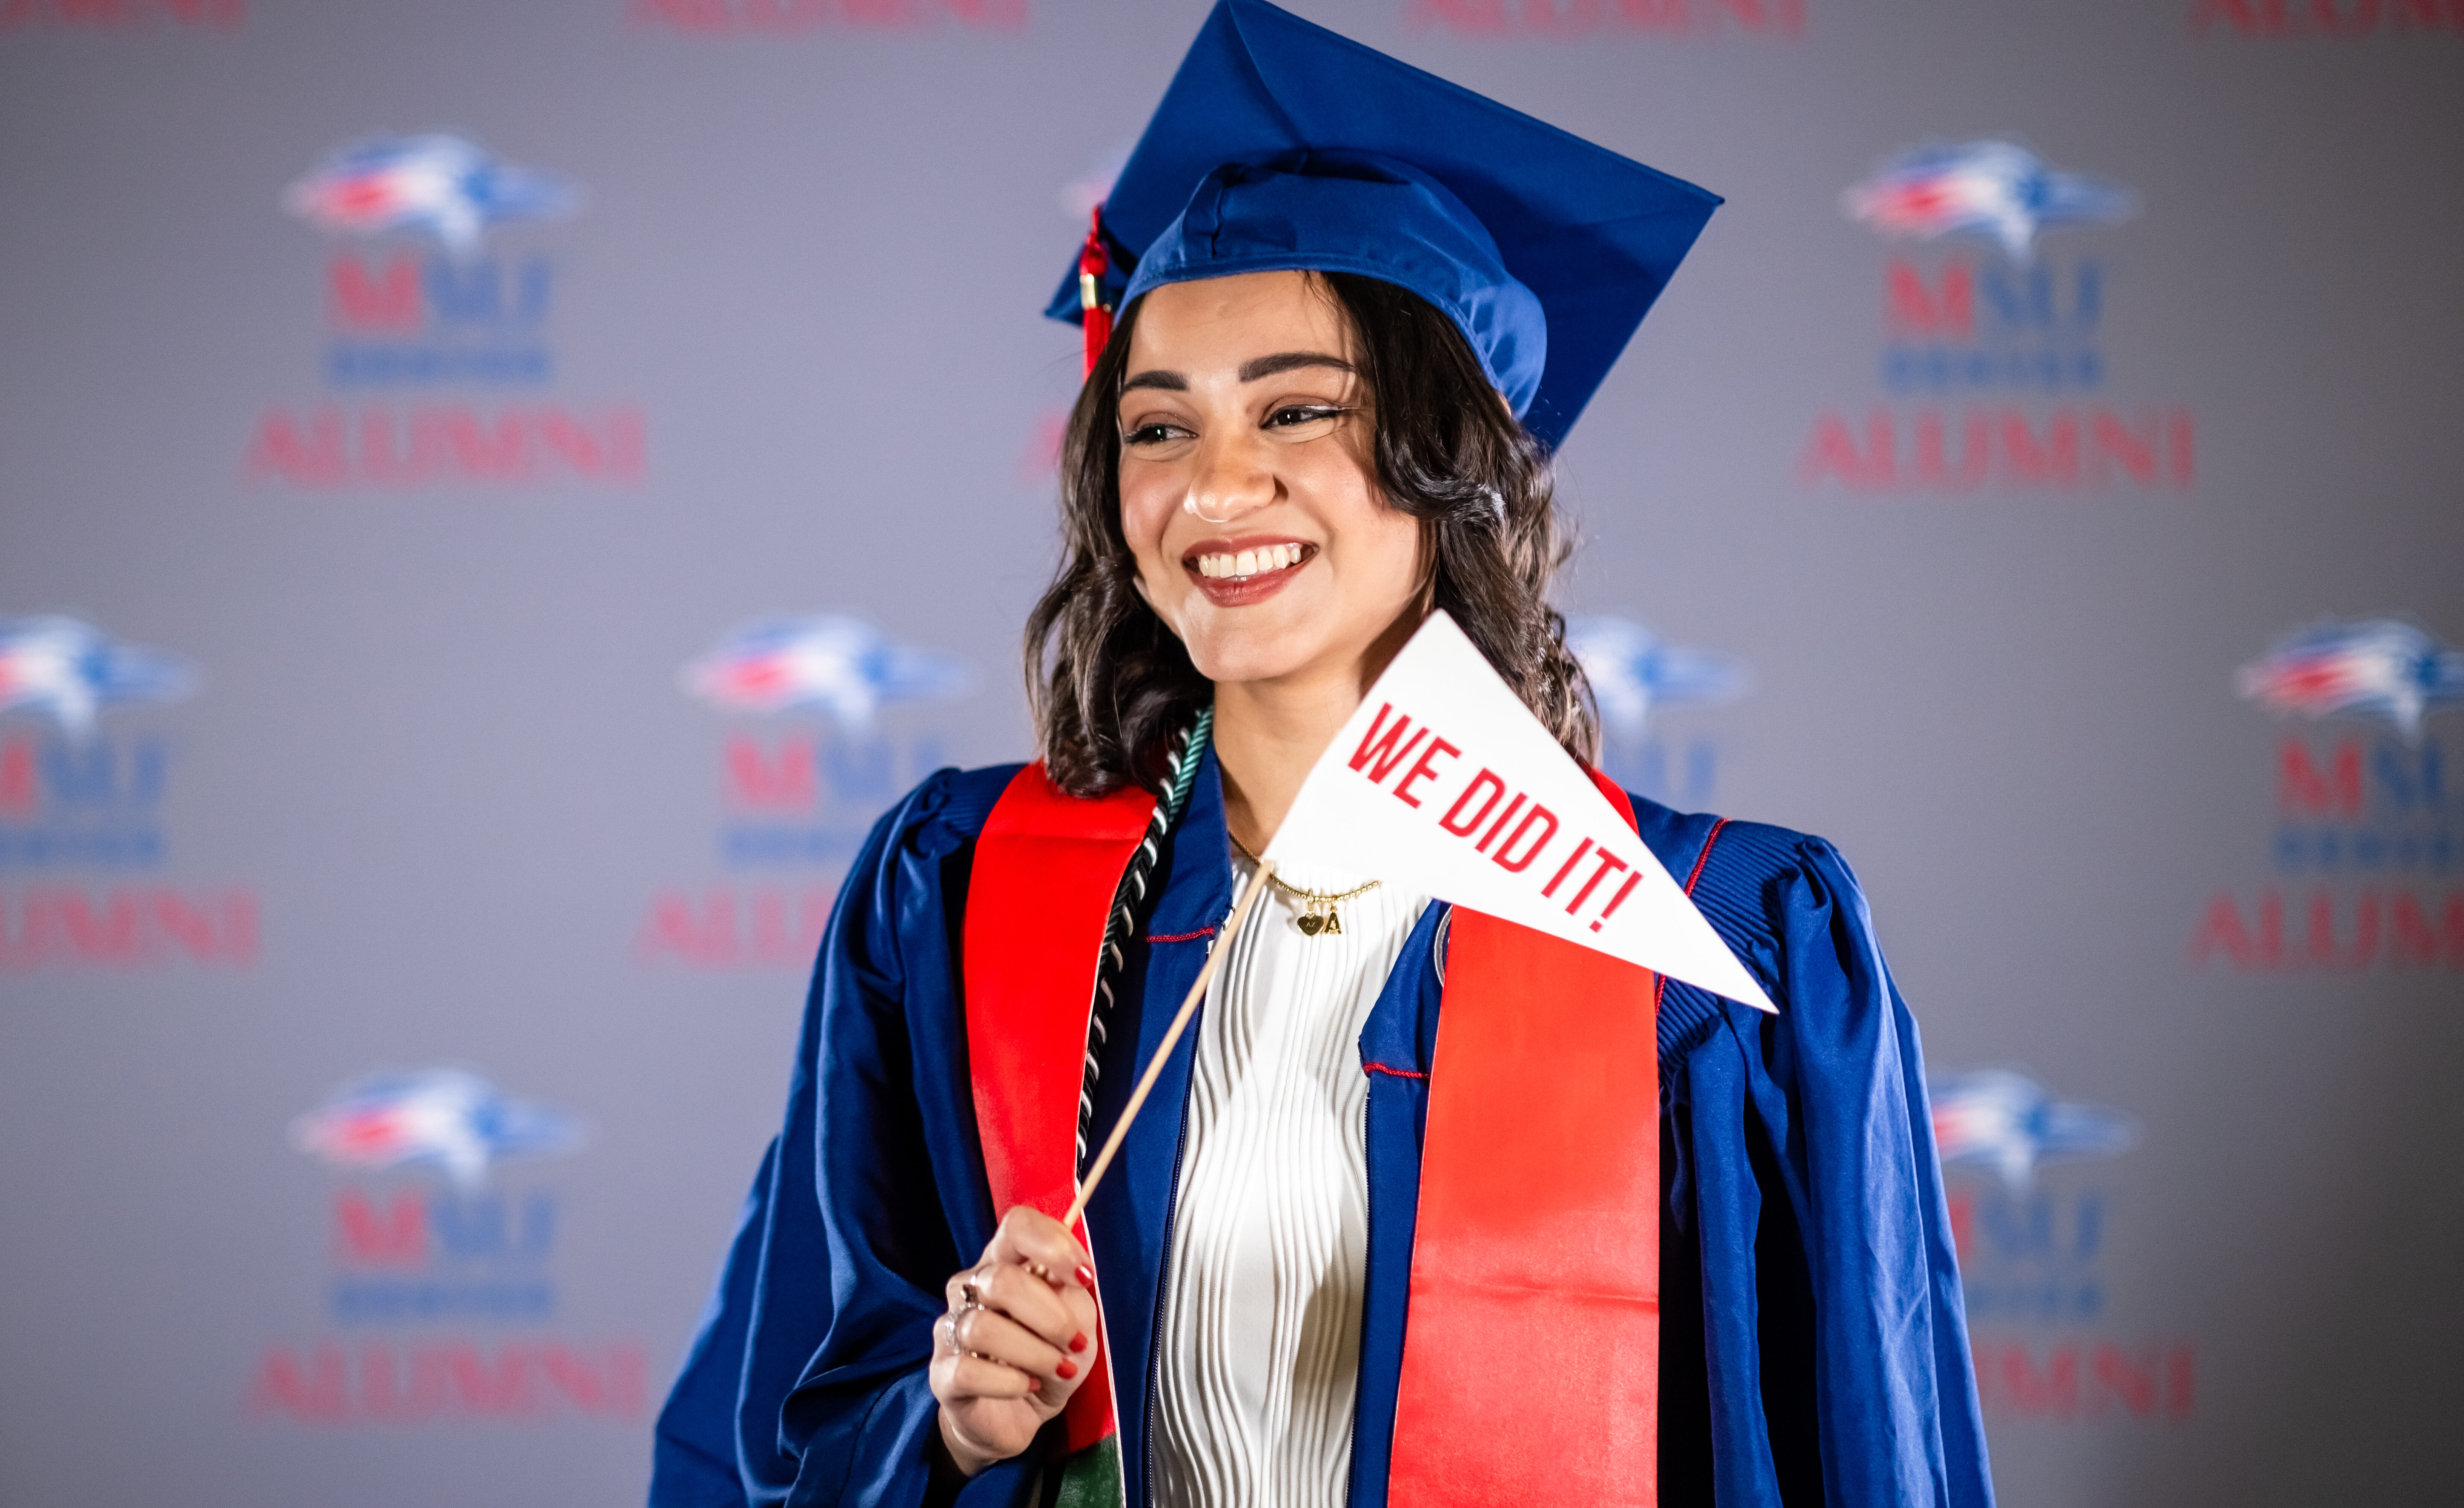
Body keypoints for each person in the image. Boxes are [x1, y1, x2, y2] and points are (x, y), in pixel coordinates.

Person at [651, 4, 1992, 1505]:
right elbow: (775, 1423)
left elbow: (1849, 1459)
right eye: (1157, 429)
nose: (1220, 485)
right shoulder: (957, 895)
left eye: (1299, 409)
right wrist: (948, 1422)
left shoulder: (1714, 947)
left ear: (1450, 466)